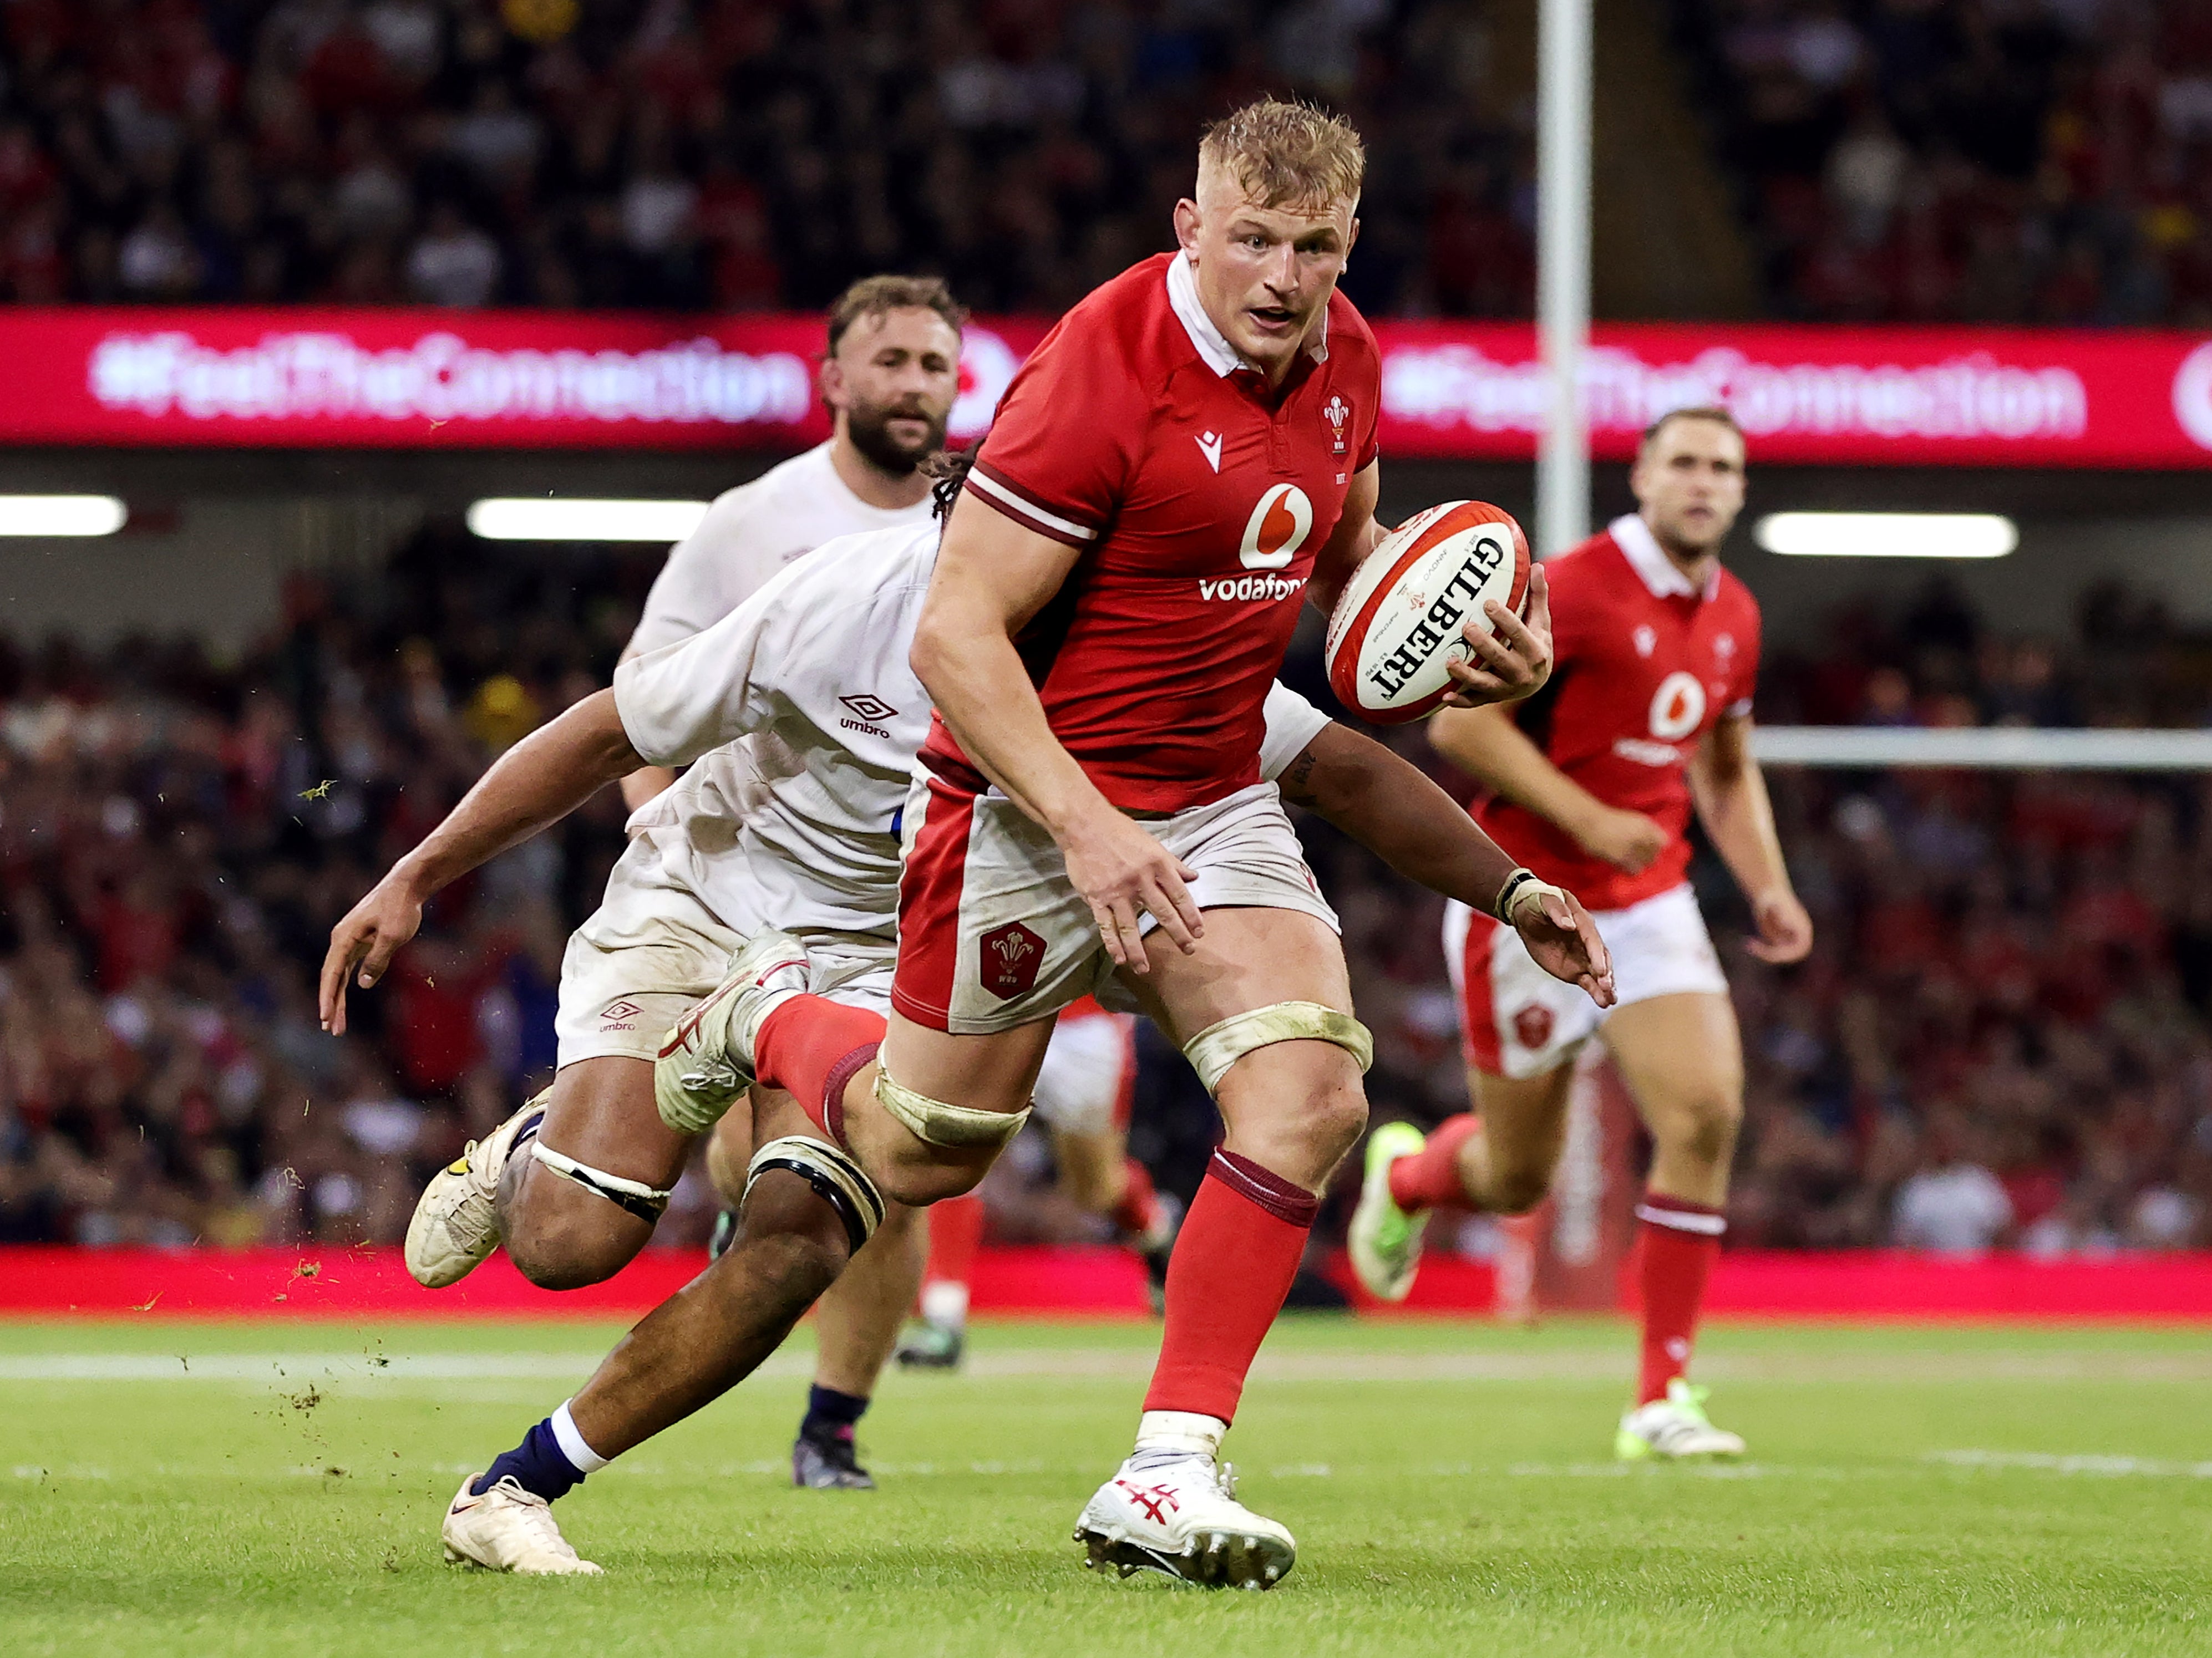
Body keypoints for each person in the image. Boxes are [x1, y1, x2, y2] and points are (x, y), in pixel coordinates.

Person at [322, 479, 1612, 1575]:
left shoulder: (1120, 644)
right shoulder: (831, 606)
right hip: (704, 902)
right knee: (567, 1244)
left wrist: (1506, 884)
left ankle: (511, 1489)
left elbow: (1336, 766)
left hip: (876, 956)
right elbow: (608, 732)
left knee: (799, 1237)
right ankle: (539, 1144)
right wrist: (416, 874)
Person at [652, 98, 1561, 1589]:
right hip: (1026, 794)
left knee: (1312, 1092)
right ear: (1187, 228)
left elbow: (1332, 556)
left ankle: (1165, 1465)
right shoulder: (1096, 374)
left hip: (1212, 781)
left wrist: (1456, 647)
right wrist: (1082, 826)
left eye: (1314, 246)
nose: (1280, 274)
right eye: (1251, 239)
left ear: (1349, 244)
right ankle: (759, 1015)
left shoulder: (1349, 361)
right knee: (922, 1146)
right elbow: (954, 632)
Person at [1345, 405, 1814, 1461]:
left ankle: (1663, 1399)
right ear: (1643, 477)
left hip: (1651, 901)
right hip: (1526, 899)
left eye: (1724, 468)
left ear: (1741, 490)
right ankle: (1412, 1179)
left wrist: (1769, 886)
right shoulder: (1572, 586)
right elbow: (1461, 725)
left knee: (1704, 1113)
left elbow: (1726, 772)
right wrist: (1586, 817)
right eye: (1684, 463)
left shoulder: (1734, 612)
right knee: (1517, 1177)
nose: (1704, 482)